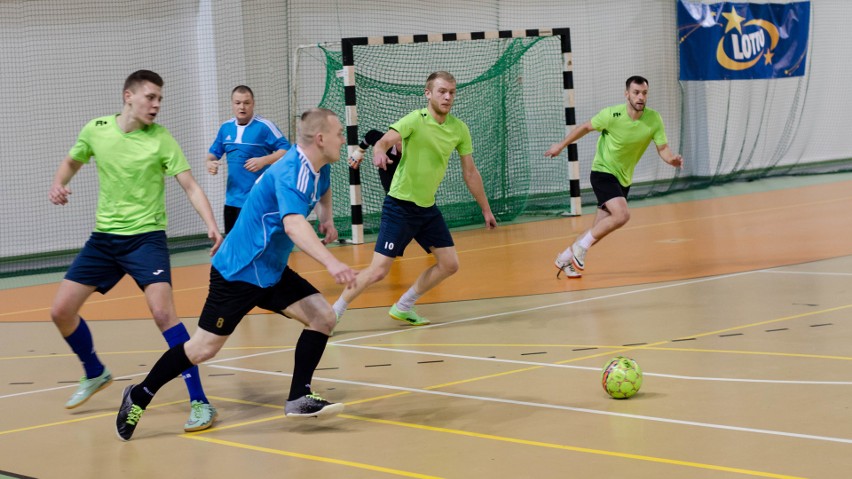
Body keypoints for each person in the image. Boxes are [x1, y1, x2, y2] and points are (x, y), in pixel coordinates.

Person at [116, 108, 357, 441]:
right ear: (320, 139)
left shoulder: (320, 166)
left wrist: (327, 218)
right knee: (201, 349)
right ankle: (139, 394)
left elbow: (323, 190)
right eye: (338, 133)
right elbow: (293, 224)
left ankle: (299, 397)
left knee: (324, 318)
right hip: (239, 271)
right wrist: (331, 263)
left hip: (270, 270)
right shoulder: (291, 170)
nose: (343, 139)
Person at [47, 70, 224, 432]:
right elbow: (72, 161)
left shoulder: (161, 139)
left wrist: (210, 223)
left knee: (164, 315)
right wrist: (58, 184)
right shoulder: (96, 129)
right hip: (104, 240)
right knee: (61, 311)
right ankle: (95, 372)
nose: (157, 105)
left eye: (160, 98)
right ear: (129, 96)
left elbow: (189, 185)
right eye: (150, 97)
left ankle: (200, 402)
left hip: (146, 239)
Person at [332, 71, 497, 327]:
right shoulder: (414, 120)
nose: (447, 97)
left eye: (452, 92)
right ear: (428, 93)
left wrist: (485, 209)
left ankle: (404, 306)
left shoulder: (459, 129)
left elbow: (470, 172)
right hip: (400, 206)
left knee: (450, 264)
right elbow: (384, 140)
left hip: (427, 208)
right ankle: (333, 313)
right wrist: (377, 152)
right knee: (378, 271)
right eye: (442, 91)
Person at [544, 75, 684, 278]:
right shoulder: (611, 115)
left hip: (623, 179)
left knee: (597, 230)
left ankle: (565, 258)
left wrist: (671, 160)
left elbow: (663, 148)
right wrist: (560, 145)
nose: (640, 97)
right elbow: (584, 127)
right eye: (636, 92)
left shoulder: (654, 119)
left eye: (644, 93)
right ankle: (579, 250)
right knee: (622, 215)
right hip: (603, 172)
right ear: (627, 94)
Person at [206, 85, 291, 233]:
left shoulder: (264, 126)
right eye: (237, 103)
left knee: (257, 247)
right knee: (233, 246)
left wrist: (264, 160)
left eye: (246, 102)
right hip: (232, 201)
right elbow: (213, 153)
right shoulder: (225, 128)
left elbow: (287, 150)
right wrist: (209, 162)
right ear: (232, 104)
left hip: (258, 199)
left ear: (253, 103)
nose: (242, 107)